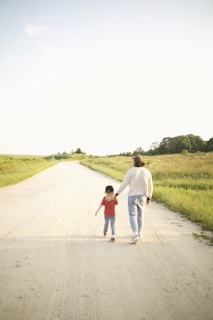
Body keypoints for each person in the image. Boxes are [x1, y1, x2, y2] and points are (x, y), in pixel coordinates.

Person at [115, 155, 153, 244]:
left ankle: (135, 234)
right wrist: (149, 197)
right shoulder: (147, 172)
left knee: (132, 215)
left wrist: (117, 193)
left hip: (132, 196)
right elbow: (150, 185)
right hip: (143, 196)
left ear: (134, 162)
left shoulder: (130, 171)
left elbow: (124, 183)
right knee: (140, 215)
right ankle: (139, 233)